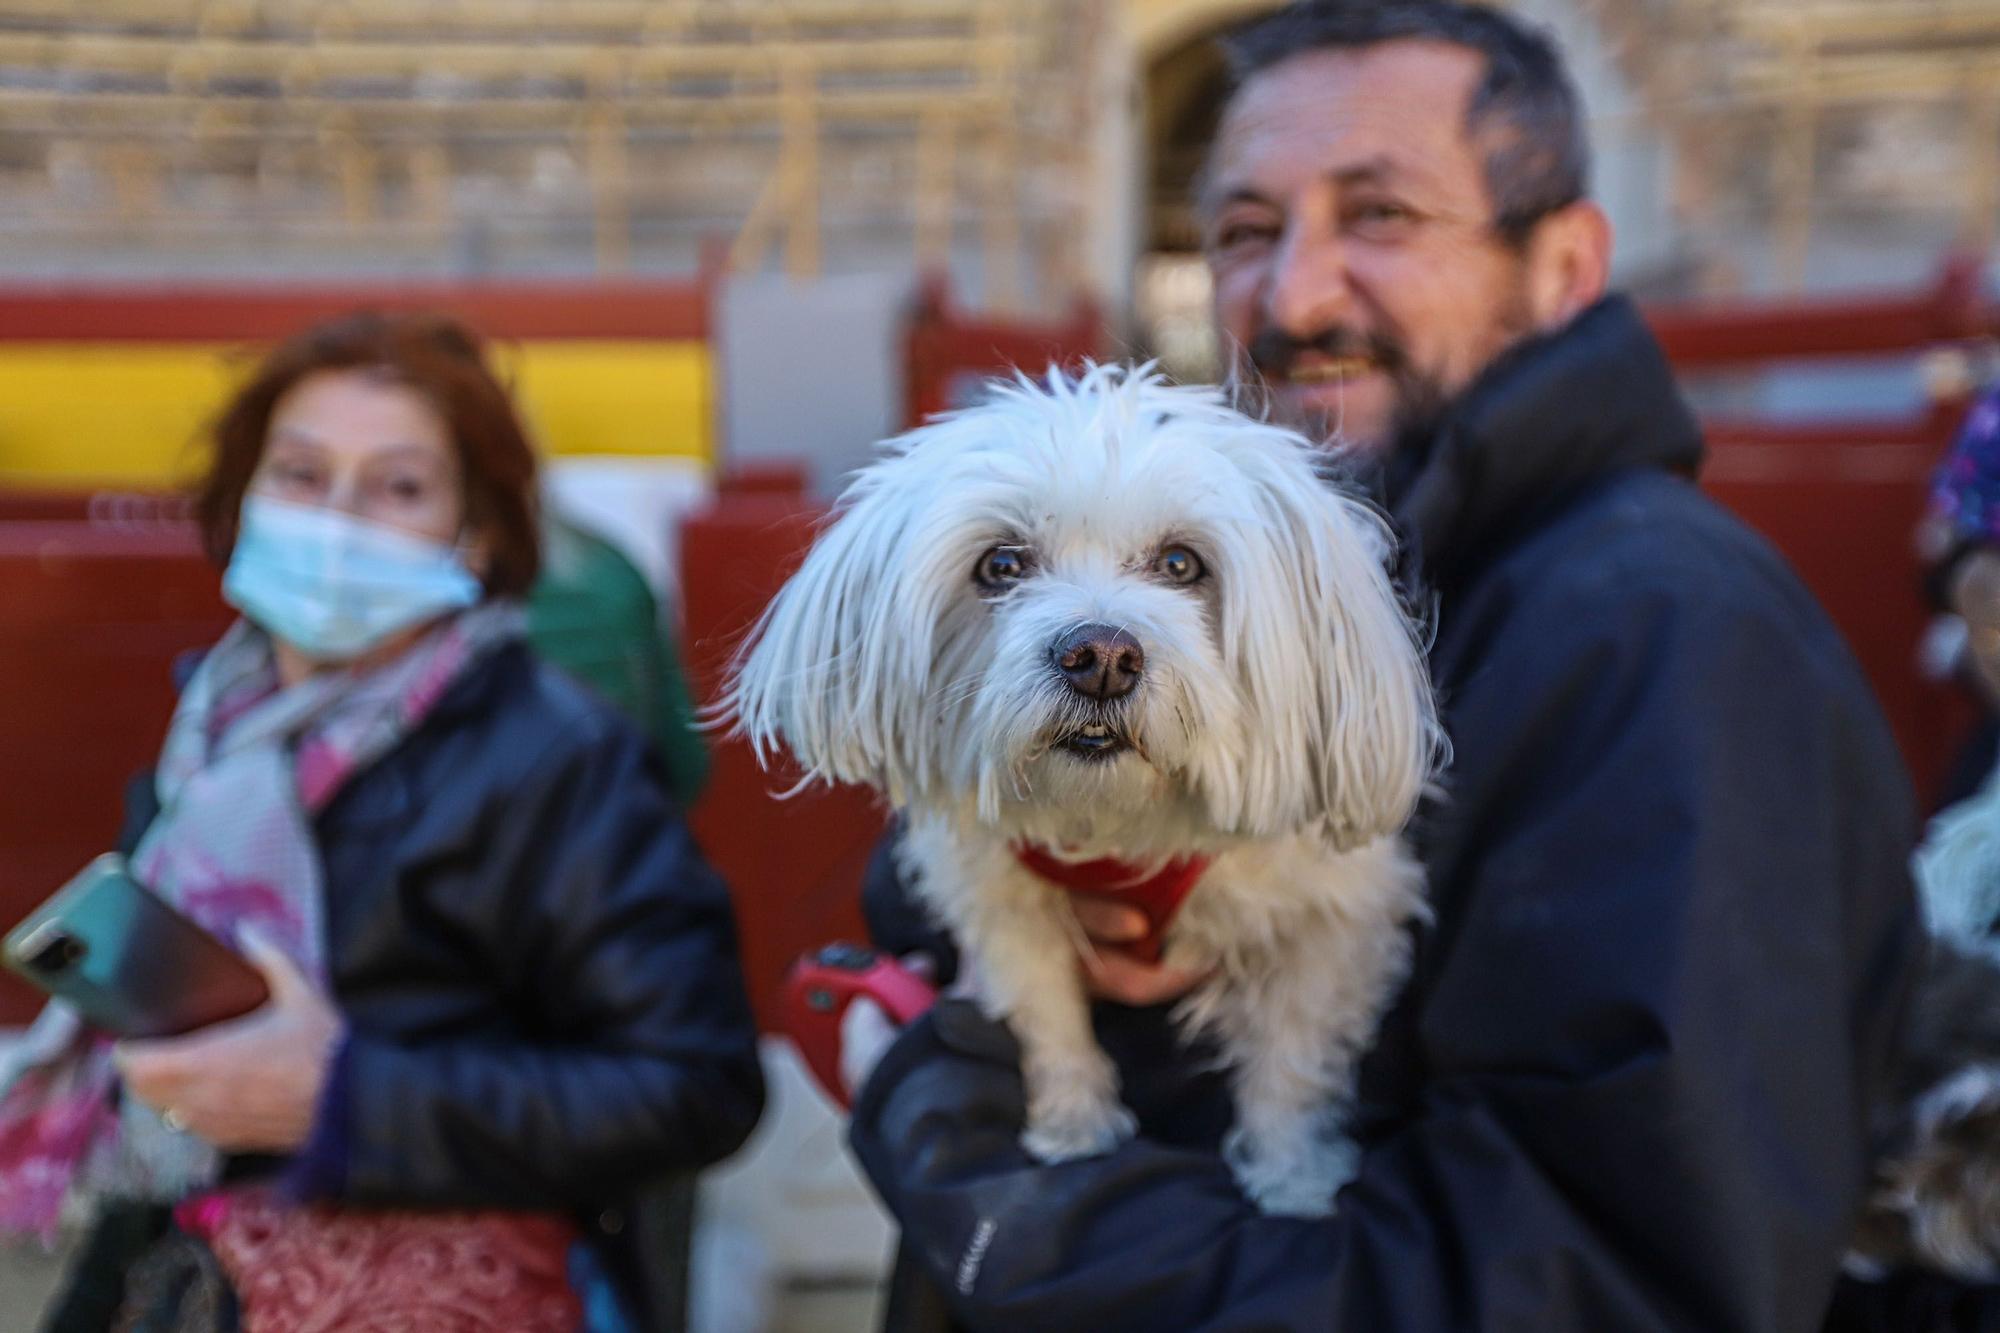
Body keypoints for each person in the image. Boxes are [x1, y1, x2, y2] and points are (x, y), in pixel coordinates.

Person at [848, 3, 1922, 1329]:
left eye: (1383, 217)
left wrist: (978, 1162)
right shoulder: (1332, 549)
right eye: (1243, 231)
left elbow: (1595, 1293)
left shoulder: (1664, 642)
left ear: (1565, 265)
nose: (1293, 296)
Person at [0, 311, 765, 1331]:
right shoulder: (217, 724)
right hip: (202, 1263)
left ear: (477, 536)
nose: (338, 519)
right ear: (241, 500)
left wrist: (349, 1096)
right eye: (302, 474)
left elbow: (697, 1084)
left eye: (398, 487)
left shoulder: (554, 755)